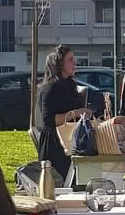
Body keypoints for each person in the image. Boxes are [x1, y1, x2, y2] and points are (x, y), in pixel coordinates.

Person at [36, 45, 89, 180]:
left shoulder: (70, 84)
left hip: (69, 138)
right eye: (70, 60)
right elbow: (49, 120)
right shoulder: (51, 87)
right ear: (59, 64)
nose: (74, 63)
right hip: (55, 143)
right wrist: (77, 113)